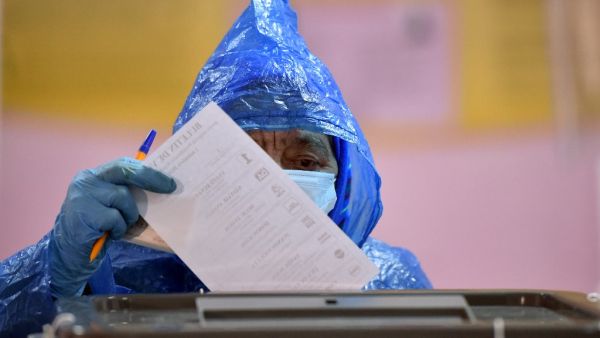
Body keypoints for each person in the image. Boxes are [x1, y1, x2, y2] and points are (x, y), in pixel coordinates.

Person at [0, 0, 431, 336]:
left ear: (344, 179)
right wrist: (55, 269)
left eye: (305, 161)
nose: (275, 181)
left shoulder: (389, 286)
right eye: (248, 158)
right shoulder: (123, 275)